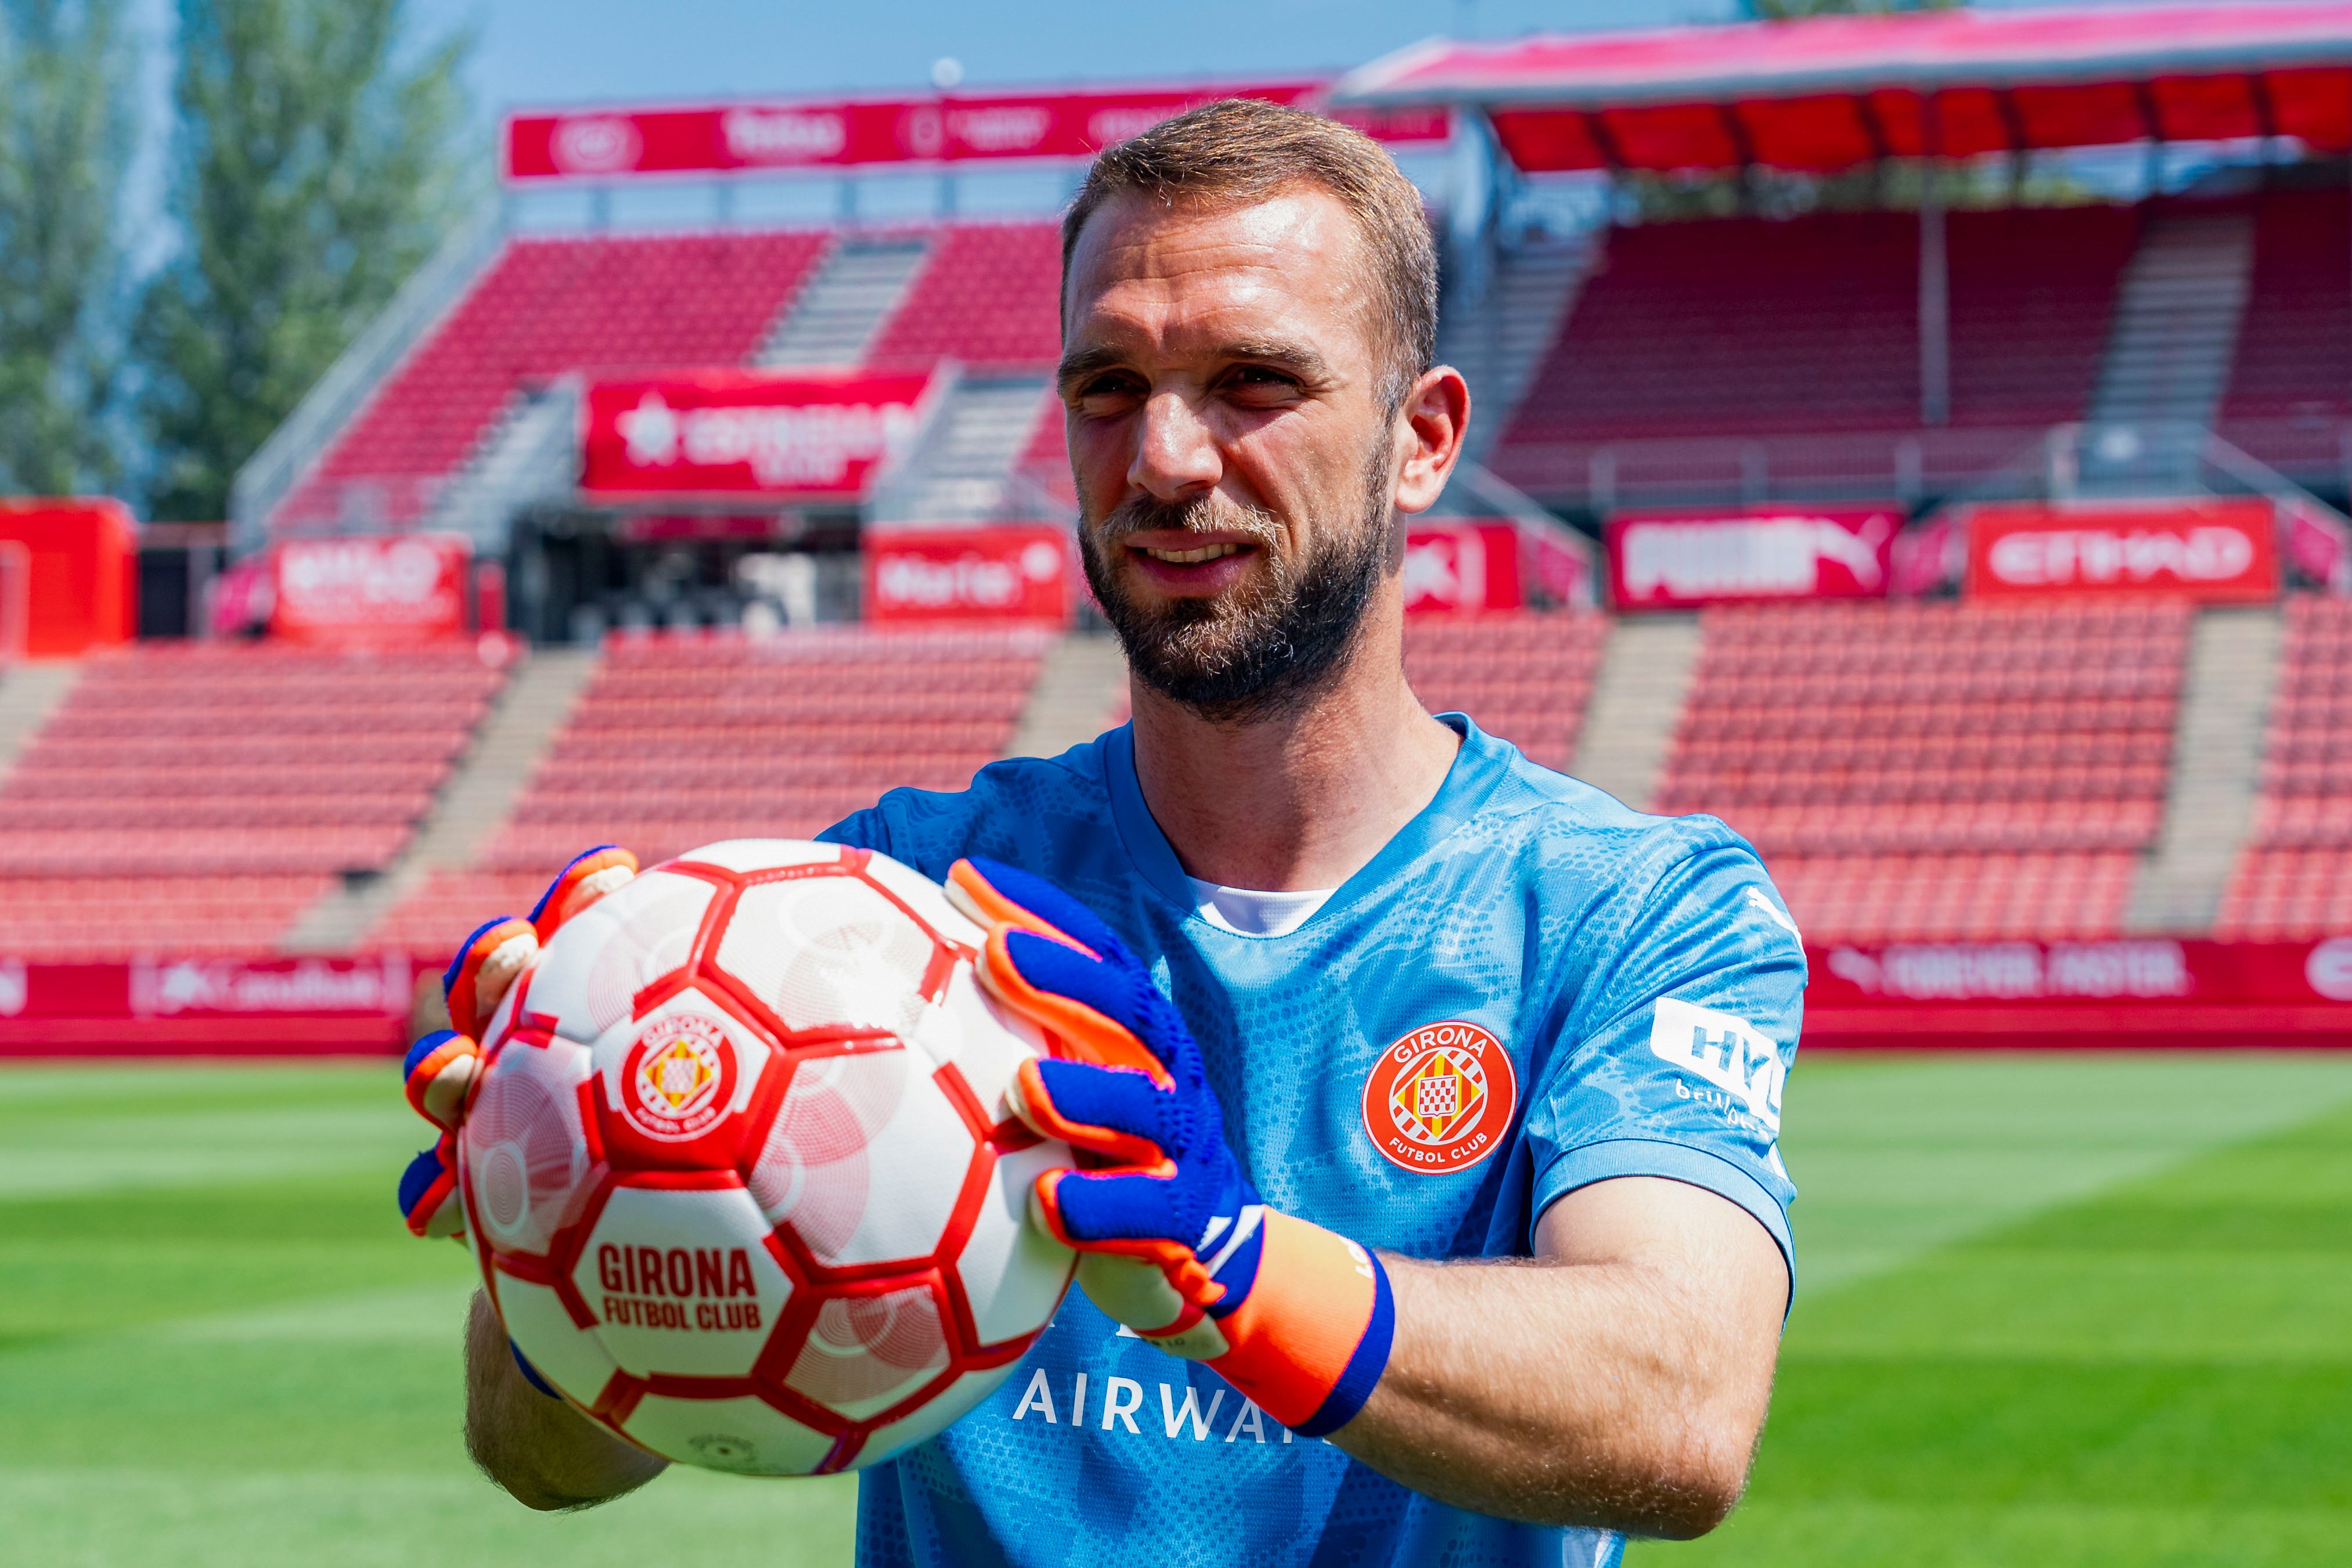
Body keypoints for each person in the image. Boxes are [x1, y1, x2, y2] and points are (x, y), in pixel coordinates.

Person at [408, 98, 1802, 1567]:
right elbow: (540, 1455)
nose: (1167, 458)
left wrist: (1230, 1272)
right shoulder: (893, 899)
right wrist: (564, 1222)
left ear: (1422, 439)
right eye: (1108, 387)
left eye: (1252, 381)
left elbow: (1680, 1406)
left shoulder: (1632, 906)